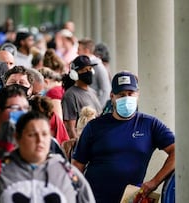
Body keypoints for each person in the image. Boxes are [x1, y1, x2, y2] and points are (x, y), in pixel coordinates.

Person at [71, 71, 175, 203]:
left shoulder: (150, 125)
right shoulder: (94, 127)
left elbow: (177, 150)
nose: (126, 98)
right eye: (121, 95)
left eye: (130, 94)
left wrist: (154, 182)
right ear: (112, 96)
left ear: (138, 94)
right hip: (94, 198)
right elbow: (77, 165)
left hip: (131, 199)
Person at [0, 111, 96, 203]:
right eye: (32, 135)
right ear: (18, 137)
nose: (40, 140)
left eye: (45, 134)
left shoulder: (69, 174)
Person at [62, 55, 102, 139]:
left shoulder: (93, 92)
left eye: (90, 69)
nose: (89, 72)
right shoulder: (70, 95)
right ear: (75, 74)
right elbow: (70, 128)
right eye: (84, 70)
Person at [78, 38, 111, 108]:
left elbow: (106, 90)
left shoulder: (99, 67)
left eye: (79, 49)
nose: (77, 52)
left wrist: (98, 109)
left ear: (86, 51)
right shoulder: (83, 65)